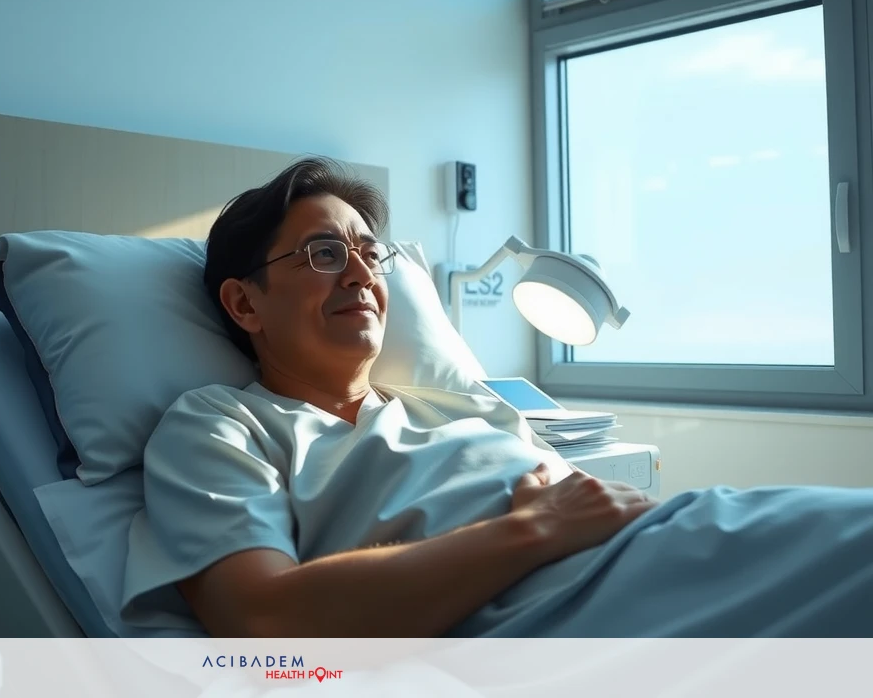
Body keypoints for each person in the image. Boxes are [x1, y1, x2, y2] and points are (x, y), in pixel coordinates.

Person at [120, 156, 873, 638]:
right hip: (550, 617)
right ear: (245, 305)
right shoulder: (222, 426)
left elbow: (585, 504)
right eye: (325, 253)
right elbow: (263, 618)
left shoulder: (457, 405)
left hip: (661, 551)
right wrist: (532, 533)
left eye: (368, 253)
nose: (360, 275)